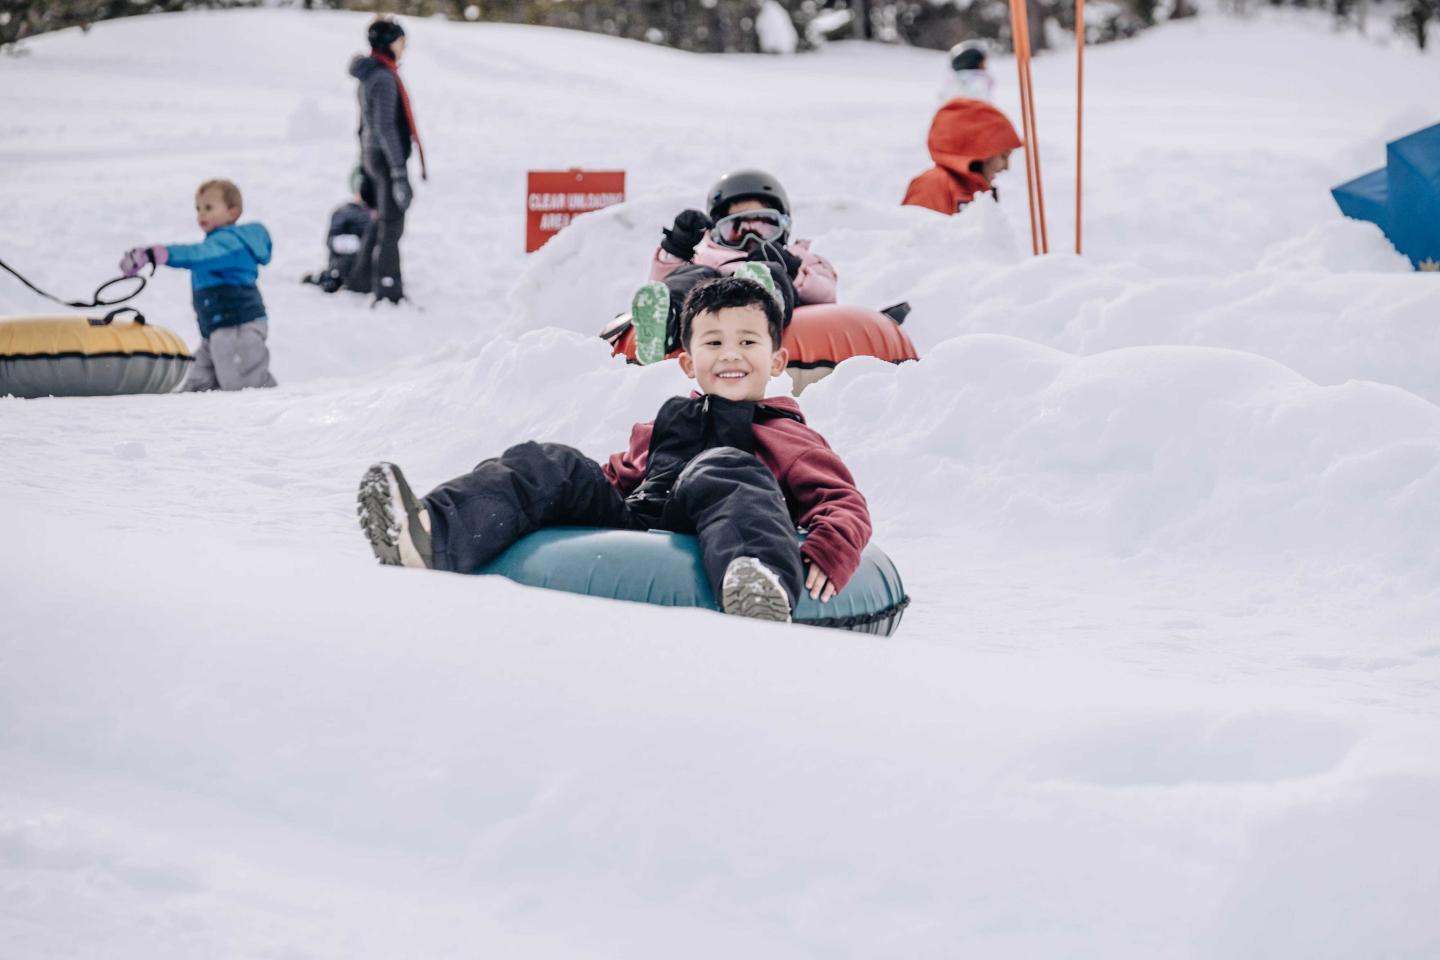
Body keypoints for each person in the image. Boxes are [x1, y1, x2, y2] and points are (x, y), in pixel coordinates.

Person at [358, 276, 871, 622]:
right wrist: (573, 490)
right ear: (689, 363)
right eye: (712, 343)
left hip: (723, 527)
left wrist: (829, 549)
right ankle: (429, 533)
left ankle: (757, 585)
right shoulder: (667, 422)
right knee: (550, 461)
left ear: (777, 360)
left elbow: (842, 501)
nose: (730, 354)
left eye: (747, 343)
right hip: (642, 520)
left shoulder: (789, 436)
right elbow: (621, 478)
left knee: (727, 467)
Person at [628, 168, 837, 365]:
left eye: (762, 226)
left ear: (783, 226)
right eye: (737, 228)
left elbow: (826, 290)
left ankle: (768, 303)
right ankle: (667, 325)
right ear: (717, 232)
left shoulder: (795, 256)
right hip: (709, 301)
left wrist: (792, 269)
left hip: (771, 295)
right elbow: (663, 281)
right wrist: (676, 249)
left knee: (768, 271)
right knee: (695, 276)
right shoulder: (708, 258)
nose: (751, 237)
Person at [119, 179, 276, 391]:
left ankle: (281, 420)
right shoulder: (217, 243)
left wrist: (157, 254)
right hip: (216, 332)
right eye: (198, 208)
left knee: (248, 391)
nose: (201, 214)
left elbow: (198, 255)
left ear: (232, 213)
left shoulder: (232, 244)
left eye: (209, 207)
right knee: (196, 389)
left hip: (238, 329)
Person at [345, 16, 427, 305]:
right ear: (388, 42)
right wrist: (397, 171)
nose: (403, 46)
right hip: (384, 159)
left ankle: (360, 278)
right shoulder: (382, 77)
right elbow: (384, 127)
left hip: (373, 157)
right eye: (400, 40)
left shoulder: (373, 74)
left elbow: (364, 126)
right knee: (392, 223)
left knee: (381, 222)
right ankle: (388, 288)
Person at [902, 98, 1022, 215]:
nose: (1006, 167)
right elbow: (919, 232)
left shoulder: (977, 191)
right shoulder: (931, 186)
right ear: (979, 152)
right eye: (1003, 156)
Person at [302, 168, 376, 294]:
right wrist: (358, 244)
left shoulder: (378, 214)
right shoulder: (344, 212)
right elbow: (332, 240)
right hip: (347, 266)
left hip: (370, 268)